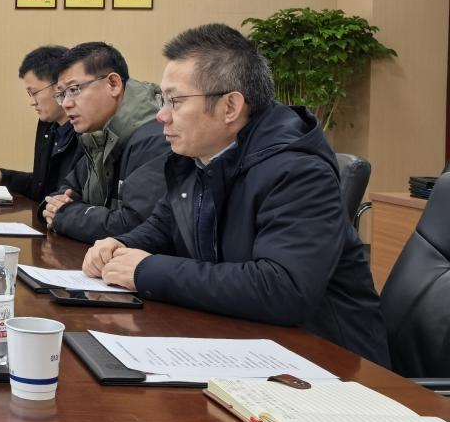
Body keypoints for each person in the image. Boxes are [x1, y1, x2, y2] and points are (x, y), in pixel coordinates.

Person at [82, 24, 388, 365]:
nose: (161, 116)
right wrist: (119, 245)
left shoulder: (299, 172)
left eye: (175, 101)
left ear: (230, 106)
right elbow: (164, 226)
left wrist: (147, 270)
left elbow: (283, 288)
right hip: (245, 342)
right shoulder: (200, 157)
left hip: (327, 363)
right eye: (162, 100)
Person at [42, 41, 169, 242]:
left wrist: (65, 215)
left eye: (74, 89)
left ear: (114, 84)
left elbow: (134, 226)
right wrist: (59, 210)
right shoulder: (97, 137)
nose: (66, 103)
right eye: (61, 94)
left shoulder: (156, 141)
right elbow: (62, 194)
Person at [0, 44, 79, 201]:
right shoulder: (47, 126)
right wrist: (2, 177)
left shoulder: (87, 131)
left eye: (34, 93)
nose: (32, 102)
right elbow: (42, 186)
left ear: (60, 86)